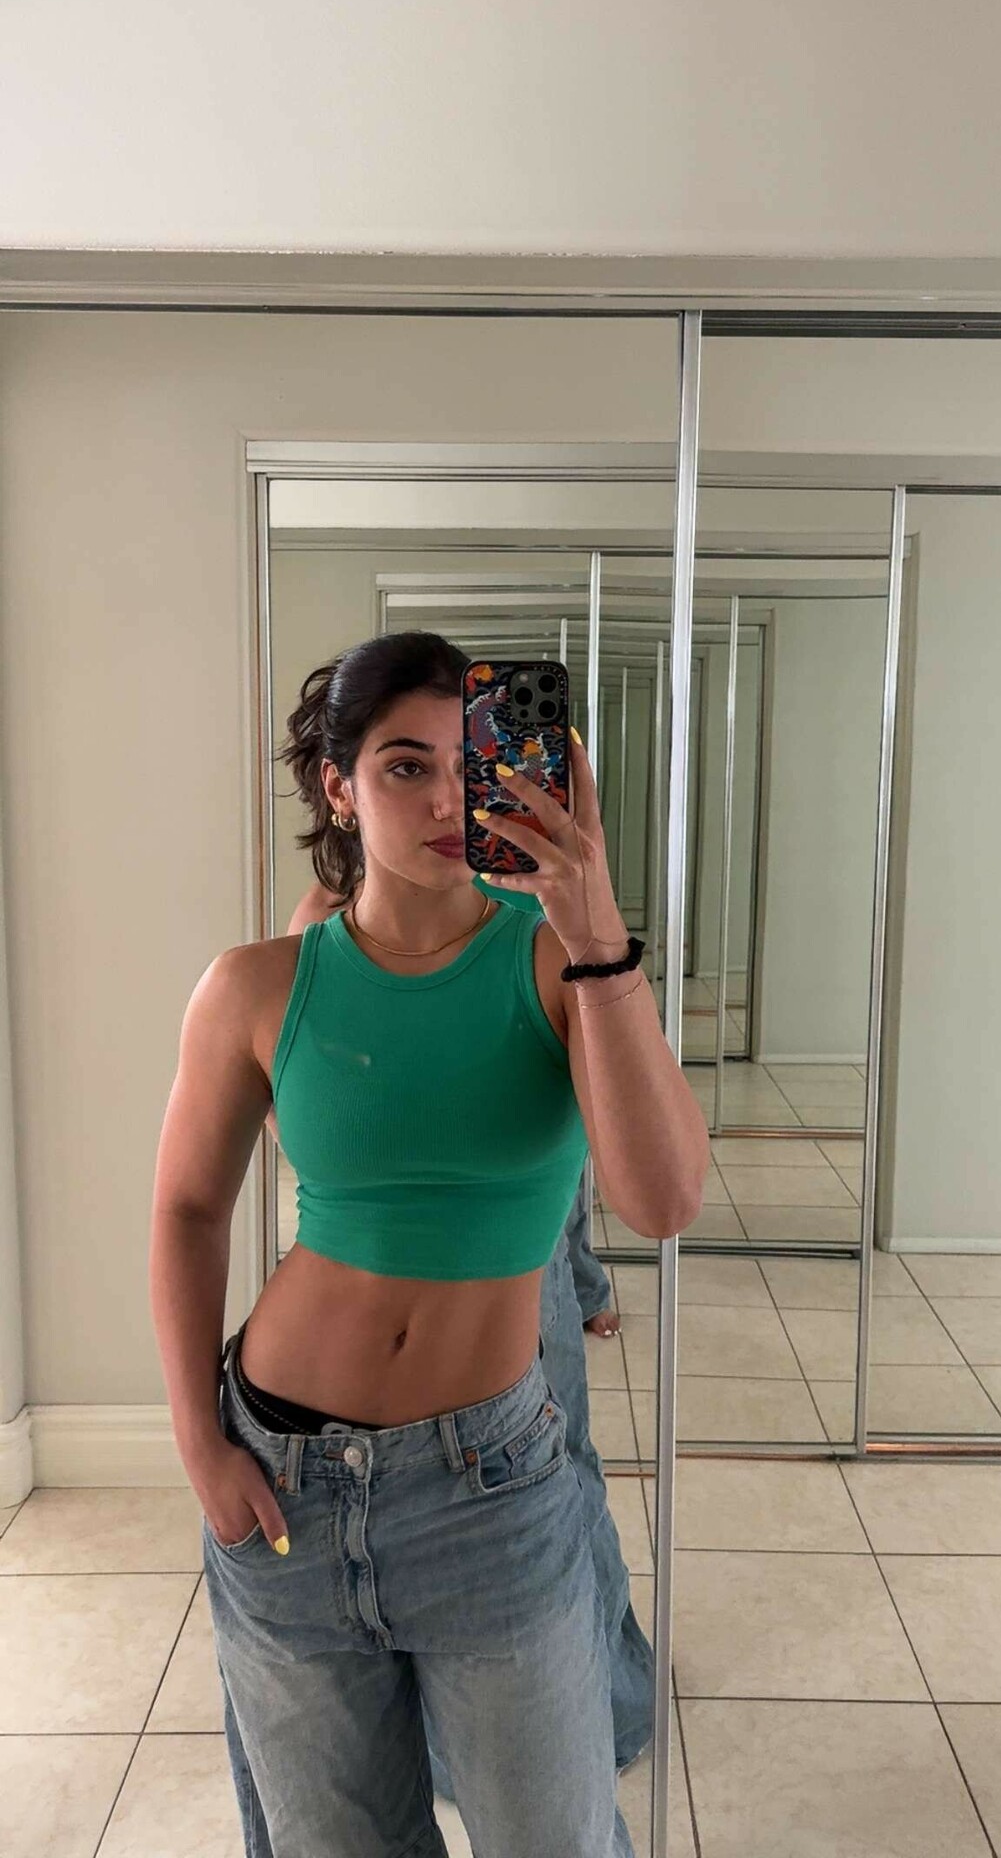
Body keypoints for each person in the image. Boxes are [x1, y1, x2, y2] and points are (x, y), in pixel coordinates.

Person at [149, 631, 711, 1857]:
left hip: (489, 1487)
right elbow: (189, 1208)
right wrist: (197, 1438)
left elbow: (663, 1199)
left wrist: (595, 924)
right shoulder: (256, 984)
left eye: (475, 765)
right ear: (340, 787)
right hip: (281, 1481)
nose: (450, 799)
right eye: (406, 766)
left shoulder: (560, 964)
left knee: (553, 1836)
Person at [276, 873, 654, 1806]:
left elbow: (616, 1156)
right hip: (374, 1298)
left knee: (563, 1468)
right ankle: (469, 1725)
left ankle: (606, 1701)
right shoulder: (333, 912)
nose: (450, 804)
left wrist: (584, 902)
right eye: (403, 785)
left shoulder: (550, 903)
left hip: (517, 1252)